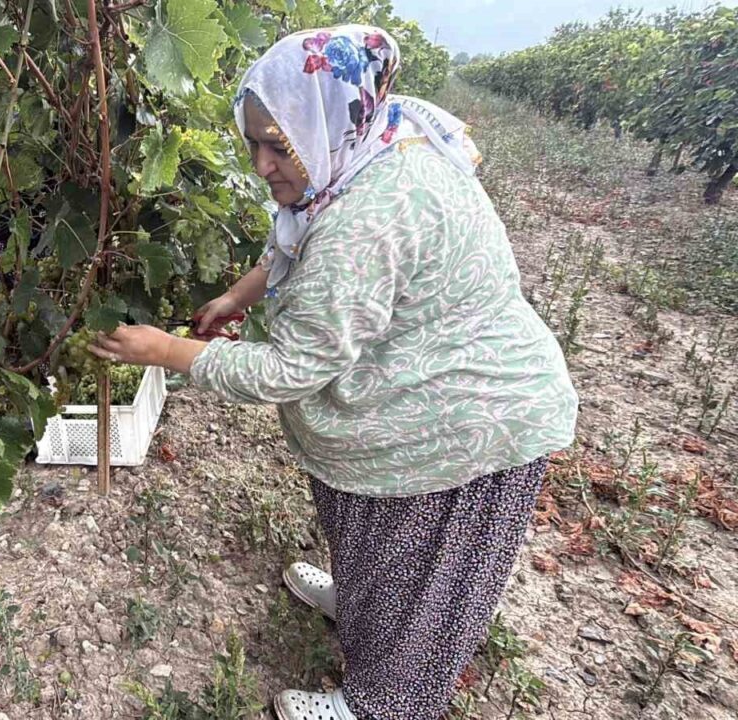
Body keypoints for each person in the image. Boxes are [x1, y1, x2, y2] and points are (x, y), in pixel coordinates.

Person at [88, 25, 578, 720]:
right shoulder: (374, 136)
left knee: (425, 587)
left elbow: (291, 369)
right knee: (383, 548)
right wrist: (237, 296)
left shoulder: (368, 217)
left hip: (466, 425)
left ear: (321, 123)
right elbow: (296, 242)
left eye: (275, 144)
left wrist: (166, 351)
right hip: (416, 396)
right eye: (253, 140)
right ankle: (361, 602)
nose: (261, 164)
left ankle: (378, 705)